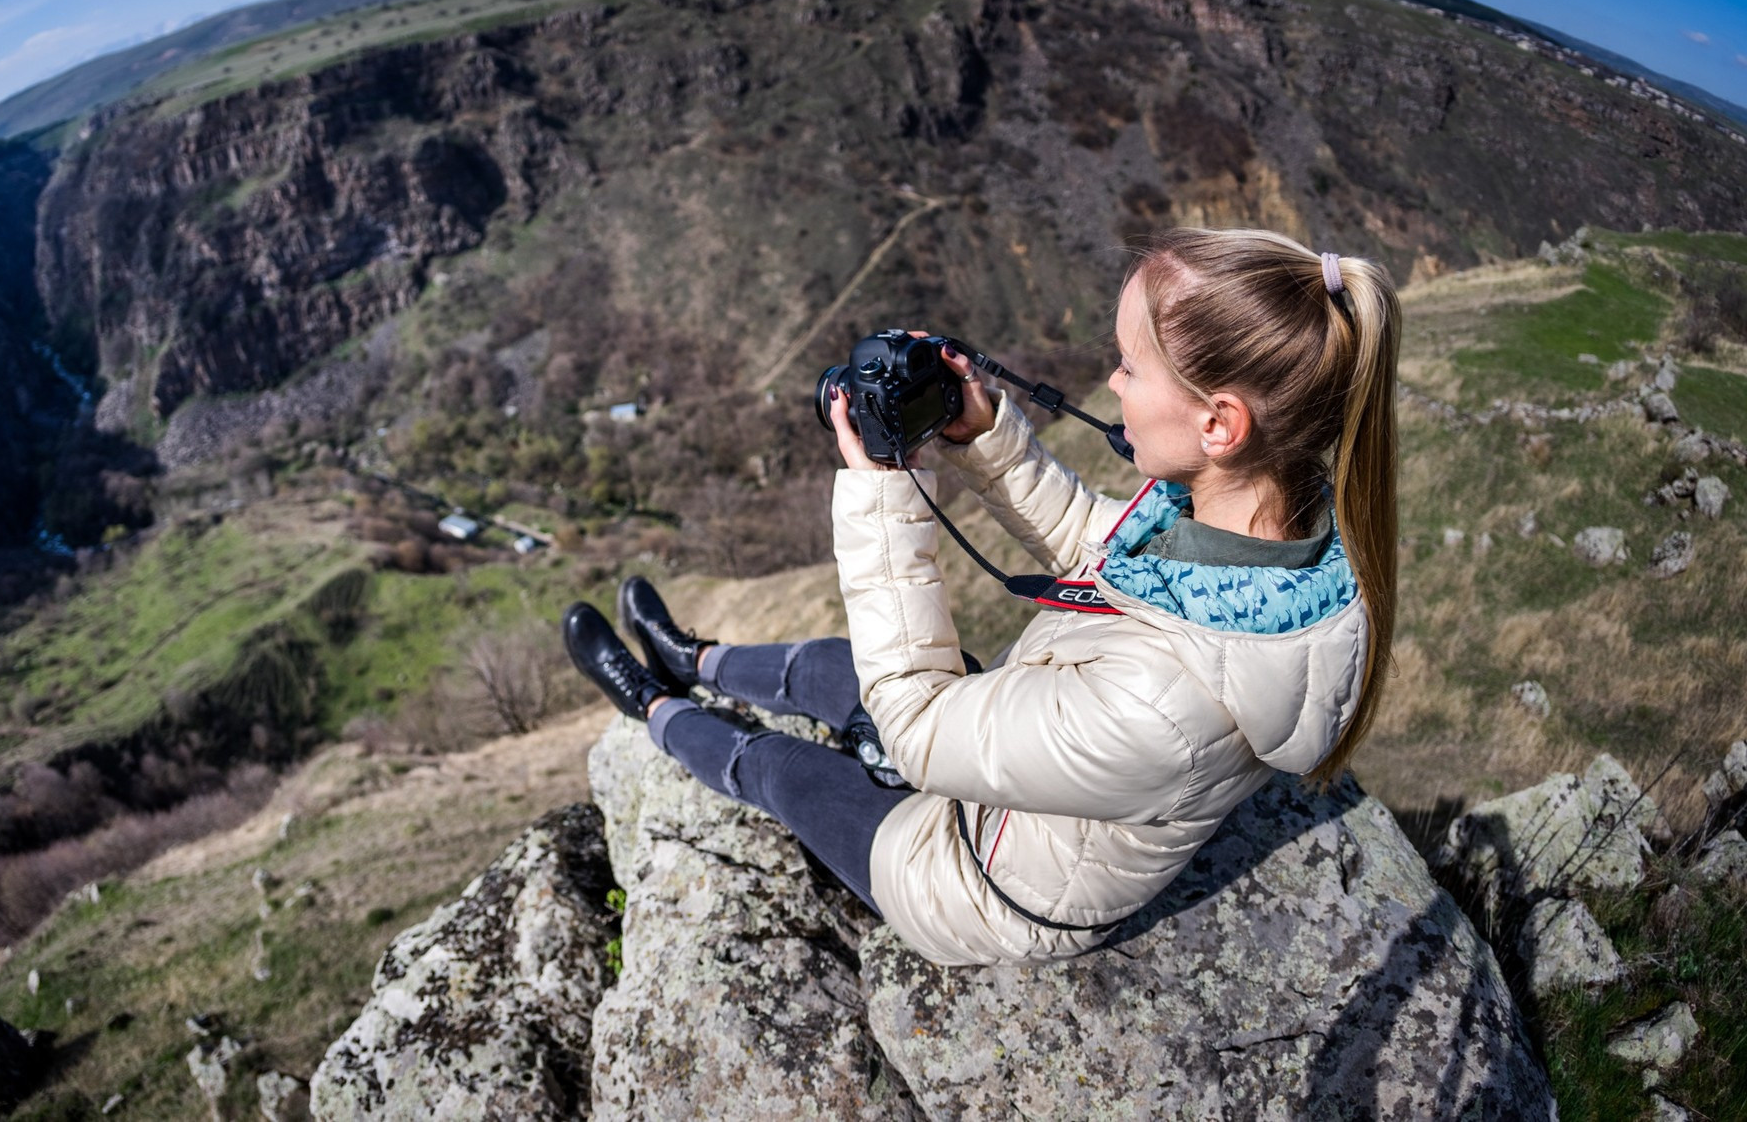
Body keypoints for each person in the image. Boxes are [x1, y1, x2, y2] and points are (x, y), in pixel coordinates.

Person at [562, 226, 1401, 966]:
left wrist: (885, 495)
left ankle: (654, 708)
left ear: (1220, 423)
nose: (1110, 381)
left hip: (976, 876)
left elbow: (918, 731)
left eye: (1130, 365)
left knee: (785, 770)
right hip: (1035, 759)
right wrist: (987, 440)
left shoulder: (1168, 706)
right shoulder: (1264, 533)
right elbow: (1094, 547)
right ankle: (690, 656)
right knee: (830, 666)